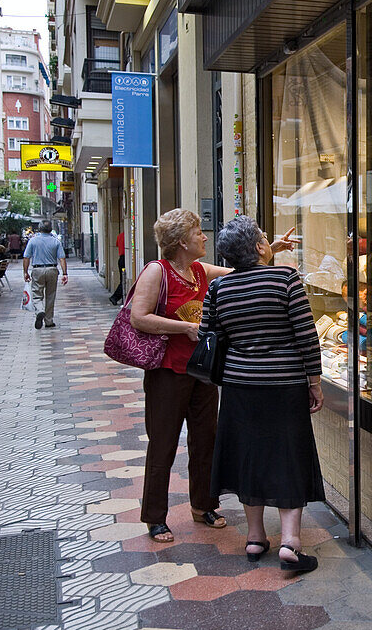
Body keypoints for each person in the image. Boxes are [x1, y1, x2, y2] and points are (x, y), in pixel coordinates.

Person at [204, 217, 324, 570]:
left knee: (248, 456)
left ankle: (255, 538)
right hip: (284, 384)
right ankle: (291, 543)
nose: (269, 242)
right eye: (265, 239)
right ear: (259, 248)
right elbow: (306, 334)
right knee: (288, 454)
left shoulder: (219, 289)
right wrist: (313, 382)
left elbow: (208, 336)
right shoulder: (285, 278)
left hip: (240, 385)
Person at [128, 208, 233, 543]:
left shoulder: (199, 271)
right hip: (167, 373)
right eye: (198, 231)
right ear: (181, 241)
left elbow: (236, 272)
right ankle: (155, 517)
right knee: (163, 444)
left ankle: (203, 506)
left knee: (206, 440)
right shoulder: (157, 272)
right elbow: (139, 318)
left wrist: (268, 248)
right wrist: (184, 327)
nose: (204, 236)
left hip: (202, 371)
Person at [22, 220, 68, 330]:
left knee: (37, 293)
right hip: (52, 269)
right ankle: (49, 320)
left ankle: (39, 310)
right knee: (50, 295)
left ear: (39, 228)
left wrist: (25, 272)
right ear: (50, 229)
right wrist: (65, 273)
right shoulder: (56, 241)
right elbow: (62, 258)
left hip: (37, 269)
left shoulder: (33, 241)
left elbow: (26, 257)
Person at [109, 231, 125, 306]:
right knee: (123, 280)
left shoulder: (119, 236)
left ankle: (118, 297)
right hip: (125, 259)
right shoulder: (128, 236)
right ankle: (115, 297)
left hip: (121, 259)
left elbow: (117, 245)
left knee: (122, 279)